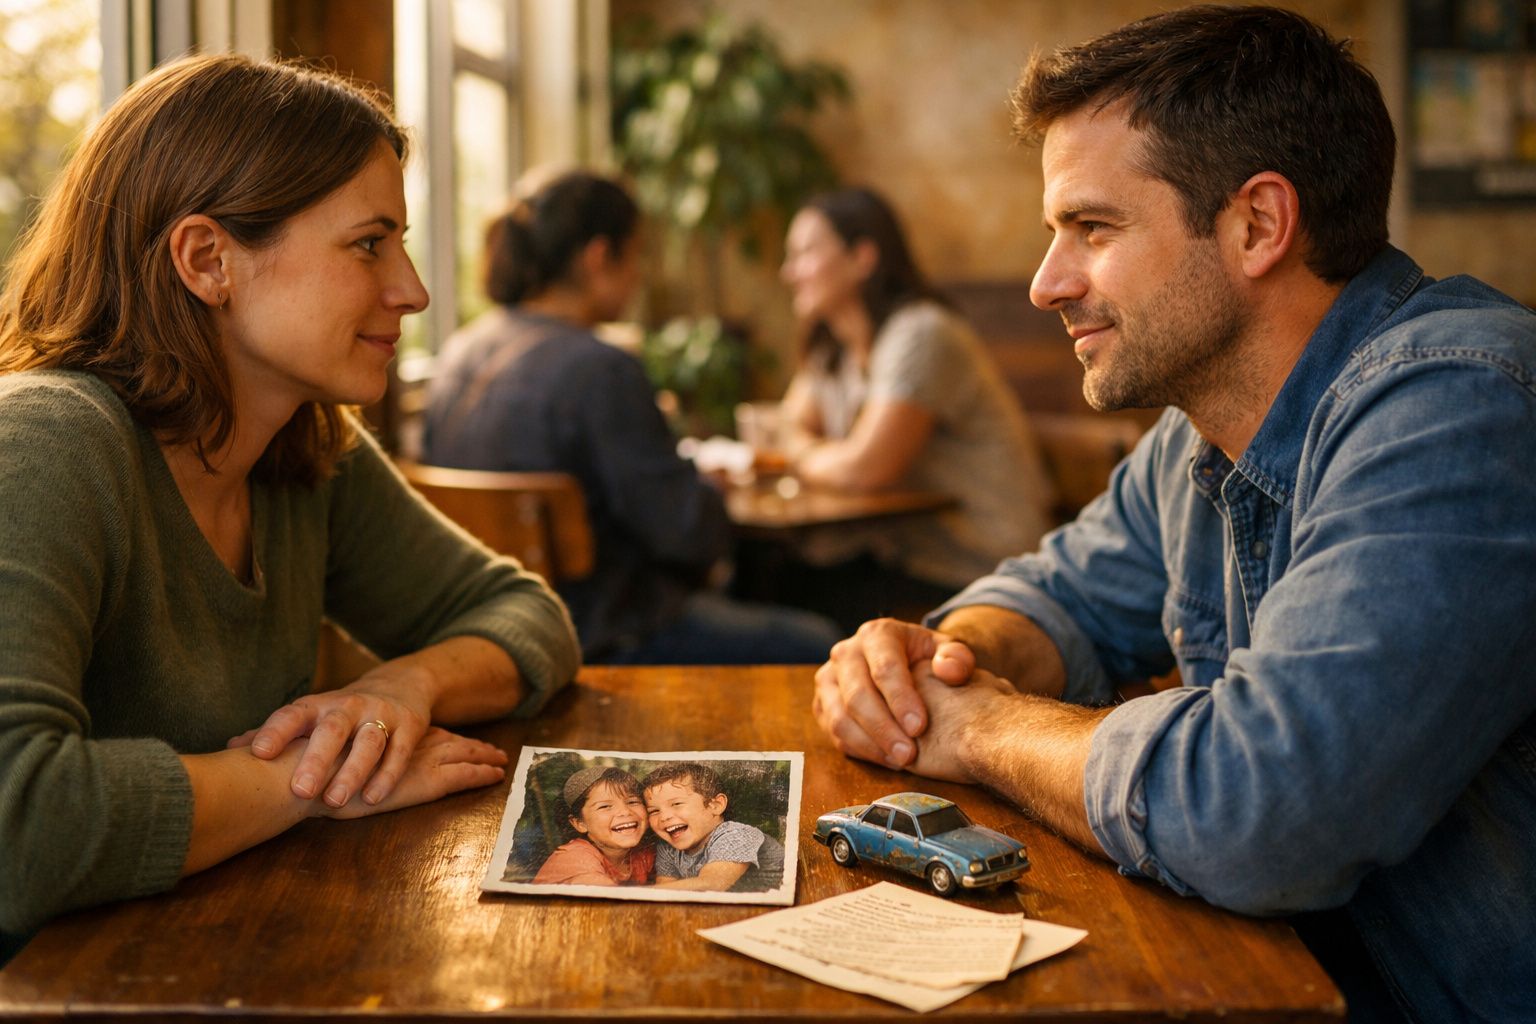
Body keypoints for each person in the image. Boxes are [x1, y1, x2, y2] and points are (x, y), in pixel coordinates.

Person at [811, 8, 1535, 1024]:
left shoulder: (1461, 406)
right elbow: (1061, 594)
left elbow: (1262, 808)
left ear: (1258, 225)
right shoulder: (1202, 432)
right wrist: (940, 662)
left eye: (1092, 228)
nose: (1046, 283)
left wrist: (980, 727)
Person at [0, 55, 581, 959]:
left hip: (212, 961)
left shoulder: (303, 447)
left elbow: (526, 616)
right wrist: (314, 780)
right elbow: (17, 824)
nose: (413, 290)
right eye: (368, 244)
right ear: (208, 260)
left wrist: (401, 687)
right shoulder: (45, 443)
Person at [420, 171, 840, 665]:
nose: (640, 276)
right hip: (606, 638)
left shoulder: (458, 353)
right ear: (599, 257)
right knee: (823, 643)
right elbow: (687, 533)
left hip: (490, 636)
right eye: (637, 255)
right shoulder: (601, 368)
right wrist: (710, 488)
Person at [771, 187, 1056, 628]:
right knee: (771, 572)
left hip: (981, 564)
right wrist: (804, 449)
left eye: (805, 253)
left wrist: (802, 454)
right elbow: (784, 427)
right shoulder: (834, 345)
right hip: (909, 555)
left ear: (861, 258)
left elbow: (866, 468)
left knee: (788, 592)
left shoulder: (922, 333)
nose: (788, 272)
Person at [642, 762, 784, 893]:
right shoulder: (669, 848)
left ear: (715, 806)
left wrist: (632, 893)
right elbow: (663, 891)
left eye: (677, 804)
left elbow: (712, 884)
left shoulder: (737, 834)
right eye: (654, 811)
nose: (664, 817)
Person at [532, 765, 654, 886]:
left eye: (633, 802)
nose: (625, 811)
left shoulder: (643, 853)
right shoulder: (573, 857)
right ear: (579, 823)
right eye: (605, 806)